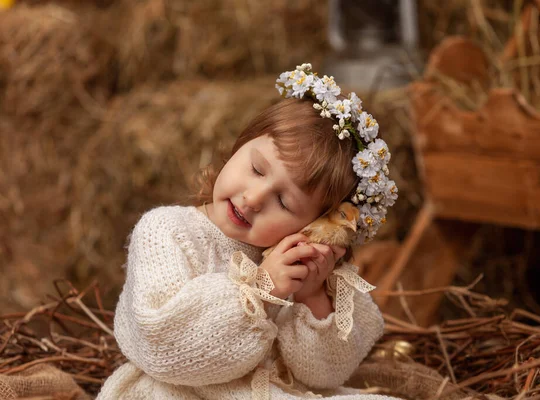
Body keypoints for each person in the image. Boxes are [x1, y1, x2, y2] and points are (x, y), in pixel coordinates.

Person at [98, 63, 399, 399]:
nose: (254, 198)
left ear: (315, 223)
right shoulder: (167, 231)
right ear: (241, 143)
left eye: (284, 203)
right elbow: (162, 345)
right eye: (257, 169)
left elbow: (324, 376)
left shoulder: (298, 264)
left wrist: (312, 296)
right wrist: (259, 290)